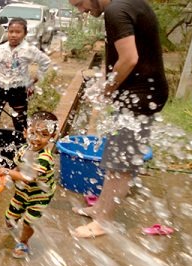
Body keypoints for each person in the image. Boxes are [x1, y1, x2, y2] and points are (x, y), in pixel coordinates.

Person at [69, 0, 169, 238]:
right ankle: (100, 209)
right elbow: (114, 55)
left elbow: (129, 58)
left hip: (142, 95)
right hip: (137, 93)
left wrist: (106, 90)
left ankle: (103, 221)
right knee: (114, 155)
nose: (81, 10)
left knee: (121, 164)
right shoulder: (123, 6)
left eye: (80, 3)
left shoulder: (116, 10)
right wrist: (105, 82)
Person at [0, 17, 51, 132]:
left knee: (20, 121)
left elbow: (45, 61)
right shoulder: (1, 48)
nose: (13, 35)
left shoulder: (29, 50)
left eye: (18, 32)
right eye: (11, 31)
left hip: (18, 90)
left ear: (25, 34)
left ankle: (21, 144)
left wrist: (37, 77)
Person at [0, 111, 58, 258]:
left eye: (43, 135)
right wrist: (8, 178)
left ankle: (24, 243)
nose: (36, 139)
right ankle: (14, 225)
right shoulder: (24, 150)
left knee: (28, 222)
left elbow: (28, 177)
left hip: (40, 196)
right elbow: (18, 168)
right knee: (9, 217)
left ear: (52, 137)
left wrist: (6, 172)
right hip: (22, 192)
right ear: (25, 132)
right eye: (33, 133)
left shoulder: (45, 158)